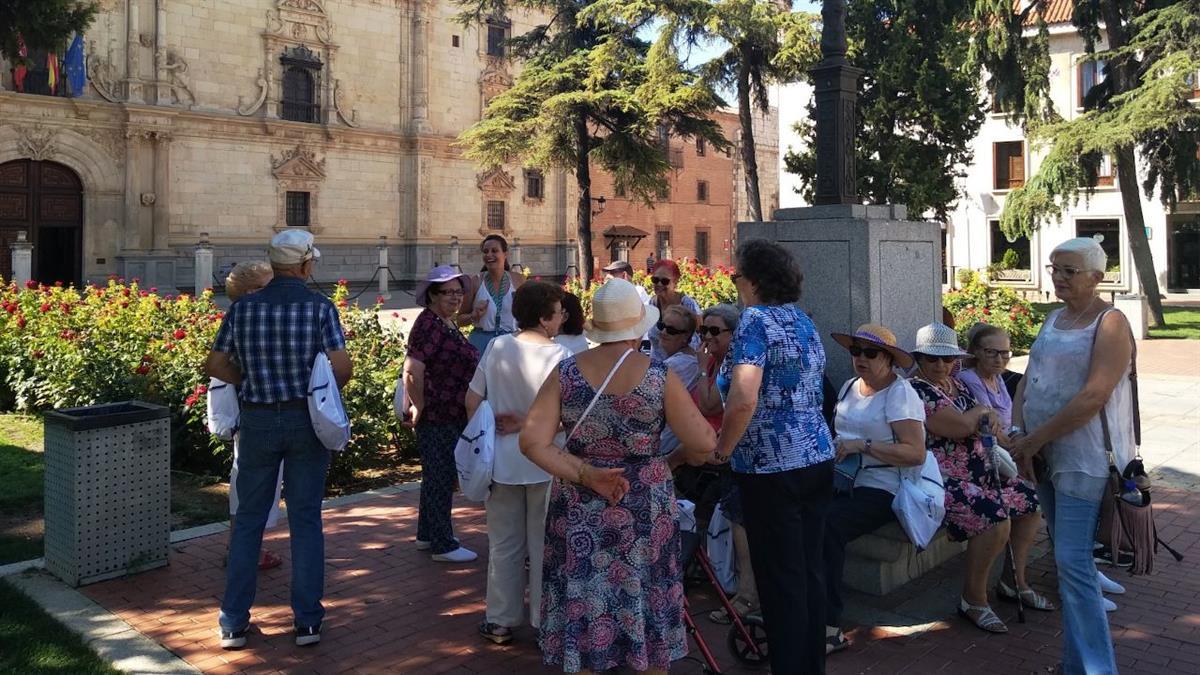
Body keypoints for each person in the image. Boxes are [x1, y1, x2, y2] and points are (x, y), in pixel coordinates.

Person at [520, 278, 717, 674]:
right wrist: (670, 461)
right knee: (647, 596)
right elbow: (703, 445)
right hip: (644, 501)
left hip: (578, 502)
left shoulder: (567, 373)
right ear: (640, 326)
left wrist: (585, 473)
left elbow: (532, 441)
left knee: (584, 600)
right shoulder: (660, 376)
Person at [205, 230, 352, 649]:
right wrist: (313, 390)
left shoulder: (244, 309)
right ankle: (307, 621)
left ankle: (233, 621)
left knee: (249, 520)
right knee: (306, 520)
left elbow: (214, 363)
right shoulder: (320, 308)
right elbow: (342, 367)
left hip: (258, 420)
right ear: (305, 265)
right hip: (305, 421)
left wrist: (249, 379)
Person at [712, 240, 835, 674]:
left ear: (756, 280)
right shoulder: (803, 320)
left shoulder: (754, 321)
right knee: (808, 571)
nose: (735, 284)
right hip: (816, 456)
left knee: (780, 579)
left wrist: (722, 450)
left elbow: (743, 398)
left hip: (770, 464)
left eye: (736, 276)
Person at [1011, 237, 1132, 674]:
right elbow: (1031, 378)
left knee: (1073, 563)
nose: (1058, 277)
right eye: (1054, 269)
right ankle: (1075, 665)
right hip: (1041, 454)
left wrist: (1034, 438)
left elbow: (1094, 395)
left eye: (1069, 271)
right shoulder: (1053, 318)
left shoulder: (1111, 322)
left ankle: (1099, 668)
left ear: (1097, 277)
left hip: (1082, 459)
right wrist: (1018, 431)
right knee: (1067, 559)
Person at [908, 322, 1050, 636]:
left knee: (1030, 501)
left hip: (979, 470)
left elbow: (991, 422)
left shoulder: (954, 385)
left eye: (947, 359)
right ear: (918, 359)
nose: (941, 365)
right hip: (943, 478)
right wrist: (980, 415)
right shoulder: (915, 390)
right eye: (932, 359)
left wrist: (984, 419)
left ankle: (1014, 582)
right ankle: (973, 598)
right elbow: (957, 426)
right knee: (995, 518)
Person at [466, 281, 572, 645]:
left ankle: (500, 619)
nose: (561, 321)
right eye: (558, 314)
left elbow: (472, 399)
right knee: (545, 545)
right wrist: (532, 425)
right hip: (547, 461)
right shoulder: (560, 357)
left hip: (501, 461)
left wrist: (493, 424)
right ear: (545, 318)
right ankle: (545, 622)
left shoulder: (497, 346)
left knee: (504, 544)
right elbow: (569, 417)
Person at [823, 324, 926, 654]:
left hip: (883, 485)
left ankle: (828, 626)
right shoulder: (850, 386)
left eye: (870, 353)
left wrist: (862, 445)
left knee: (828, 527)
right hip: (842, 479)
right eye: (856, 351)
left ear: (889, 359)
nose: (860, 359)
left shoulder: (900, 394)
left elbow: (915, 453)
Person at [403, 265, 481, 563]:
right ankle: (442, 544)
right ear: (432, 295)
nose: (455, 297)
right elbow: (413, 369)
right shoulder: (429, 325)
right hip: (438, 414)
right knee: (440, 476)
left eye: (459, 292)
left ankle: (427, 534)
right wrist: (420, 405)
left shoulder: (444, 322)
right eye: (447, 292)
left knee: (435, 475)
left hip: (450, 412)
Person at [220, 261, 282, 572]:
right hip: (256, 413)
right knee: (251, 482)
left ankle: (245, 545)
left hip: (250, 412)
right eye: (270, 284)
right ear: (253, 291)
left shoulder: (239, 318)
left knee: (249, 479)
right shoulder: (247, 320)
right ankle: (243, 549)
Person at [464, 234, 527, 354]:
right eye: (485, 251)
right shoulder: (475, 282)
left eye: (494, 251)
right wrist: (474, 316)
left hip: (510, 343)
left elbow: (528, 316)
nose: (489, 255)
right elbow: (460, 320)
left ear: (505, 254)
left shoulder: (519, 280)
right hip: (481, 343)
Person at [960, 323, 1016, 429]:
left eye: (1004, 353)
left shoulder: (996, 376)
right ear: (976, 352)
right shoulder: (970, 379)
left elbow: (1009, 413)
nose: (999, 360)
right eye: (991, 352)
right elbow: (992, 422)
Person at [646, 259, 701, 361]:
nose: (659, 284)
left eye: (664, 281)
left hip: (681, 366)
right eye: (655, 280)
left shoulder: (687, 304)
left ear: (675, 282)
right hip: (656, 366)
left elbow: (702, 334)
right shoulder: (652, 304)